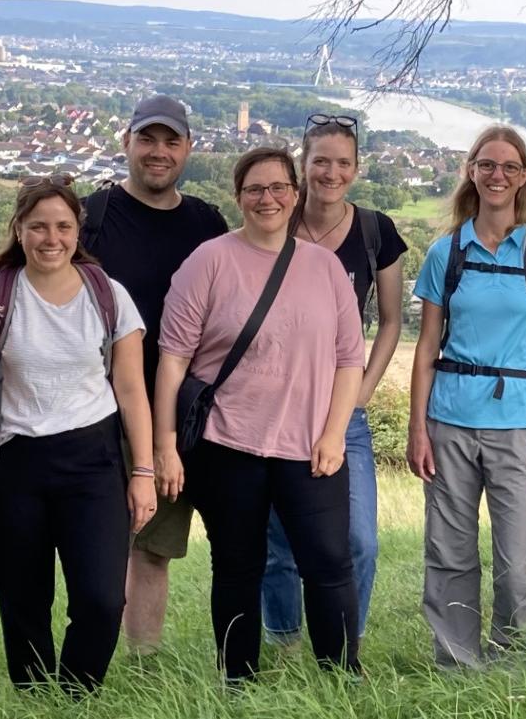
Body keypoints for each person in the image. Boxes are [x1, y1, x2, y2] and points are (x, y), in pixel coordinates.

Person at [154, 148, 365, 682]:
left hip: (310, 445)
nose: (266, 199)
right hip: (228, 445)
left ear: (295, 194)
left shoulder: (326, 269)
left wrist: (335, 433)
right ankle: (237, 680)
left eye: (276, 188)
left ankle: (342, 674)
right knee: (236, 568)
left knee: (328, 564)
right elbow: (173, 359)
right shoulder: (209, 261)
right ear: (239, 197)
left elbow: (348, 358)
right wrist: (163, 444)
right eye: (254, 189)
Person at [0, 176, 158, 695]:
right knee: (24, 600)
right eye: (39, 226)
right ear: (19, 230)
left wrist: (143, 472)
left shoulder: (108, 296)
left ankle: (76, 694)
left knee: (102, 598)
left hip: (93, 460)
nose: (52, 238)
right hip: (11, 463)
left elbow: (132, 389)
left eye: (63, 226)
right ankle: (33, 698)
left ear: (77, 230)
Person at [409, 125, 526, 669]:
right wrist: (417, 429)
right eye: (487, 165)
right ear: (471, 171)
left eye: (508, 166)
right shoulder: (446, 252)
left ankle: (515, 664)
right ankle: (456, 664)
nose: (497, 175)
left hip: (519, 424)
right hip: (450, 420)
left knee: (518, 559)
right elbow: (427, 344)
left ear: (524, 176)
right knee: (449, 553)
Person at [80, 94, 229, 653]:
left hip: (174, 411)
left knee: (153, 547)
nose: (158, 152)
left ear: (188, 149)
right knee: (90, 544)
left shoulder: (207, 224)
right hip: (93, 407)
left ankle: (140, 664)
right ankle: (84, 657)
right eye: (147, 139)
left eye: (171, 141)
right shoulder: (89, 217)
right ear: (126, 143)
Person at [260, 114, 407, 647]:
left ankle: (346, 645)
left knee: (359, 540)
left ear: (357, 168)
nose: (331, 171)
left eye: (342, 162)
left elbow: (391, 319)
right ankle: (282, 639)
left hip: (344, 413)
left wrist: (362, 392)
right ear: (303, 165)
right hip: (275, 408)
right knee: (277, 541)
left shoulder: (374, 231)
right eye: (320, 160)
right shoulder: (276, 220)